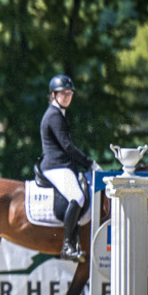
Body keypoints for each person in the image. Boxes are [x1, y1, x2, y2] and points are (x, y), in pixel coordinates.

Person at [39, 75, 99, 261]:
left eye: (69, 93)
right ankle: (67, 246)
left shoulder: (58, 114)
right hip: (55, 166)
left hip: (61, 165)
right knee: (78, 196)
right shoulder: (54, 116)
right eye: (63, 93)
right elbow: (67, 147)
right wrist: (90, 163)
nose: (67, 97)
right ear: (53, 95)